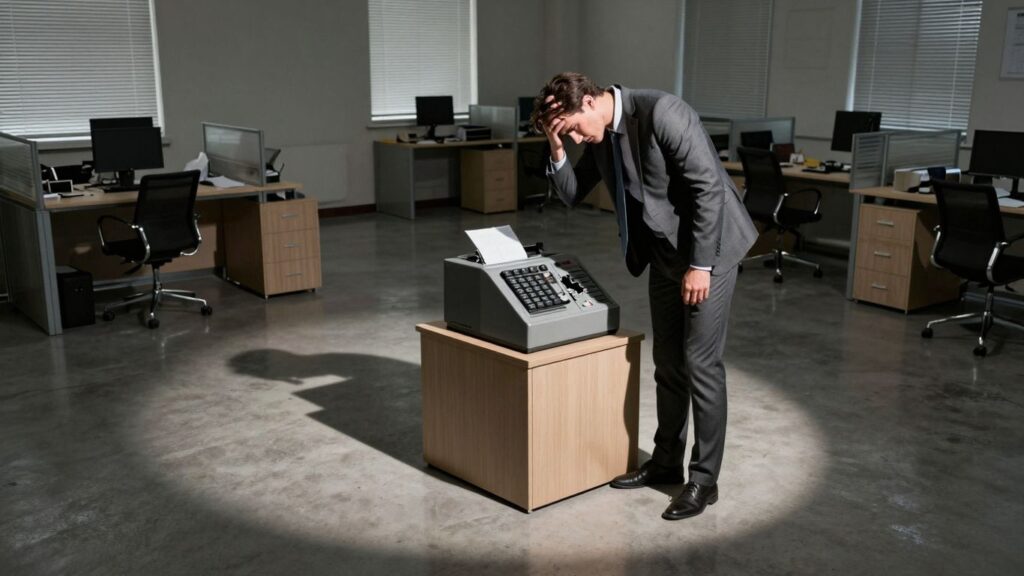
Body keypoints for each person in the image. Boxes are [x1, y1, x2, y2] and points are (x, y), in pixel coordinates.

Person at [531, 72, 758, 521]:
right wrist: (557, 148)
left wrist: (701, 266)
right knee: (668, 363)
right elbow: (573, 195)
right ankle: (667, 461)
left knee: (700, 363)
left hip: (708, 249)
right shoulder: (598, 136)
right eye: (568, 134)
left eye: (574, 127)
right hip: (664, 255)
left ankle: (704, 480)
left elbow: (708, 190)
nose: (577, 137)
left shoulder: (663, 113)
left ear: (592, 100)